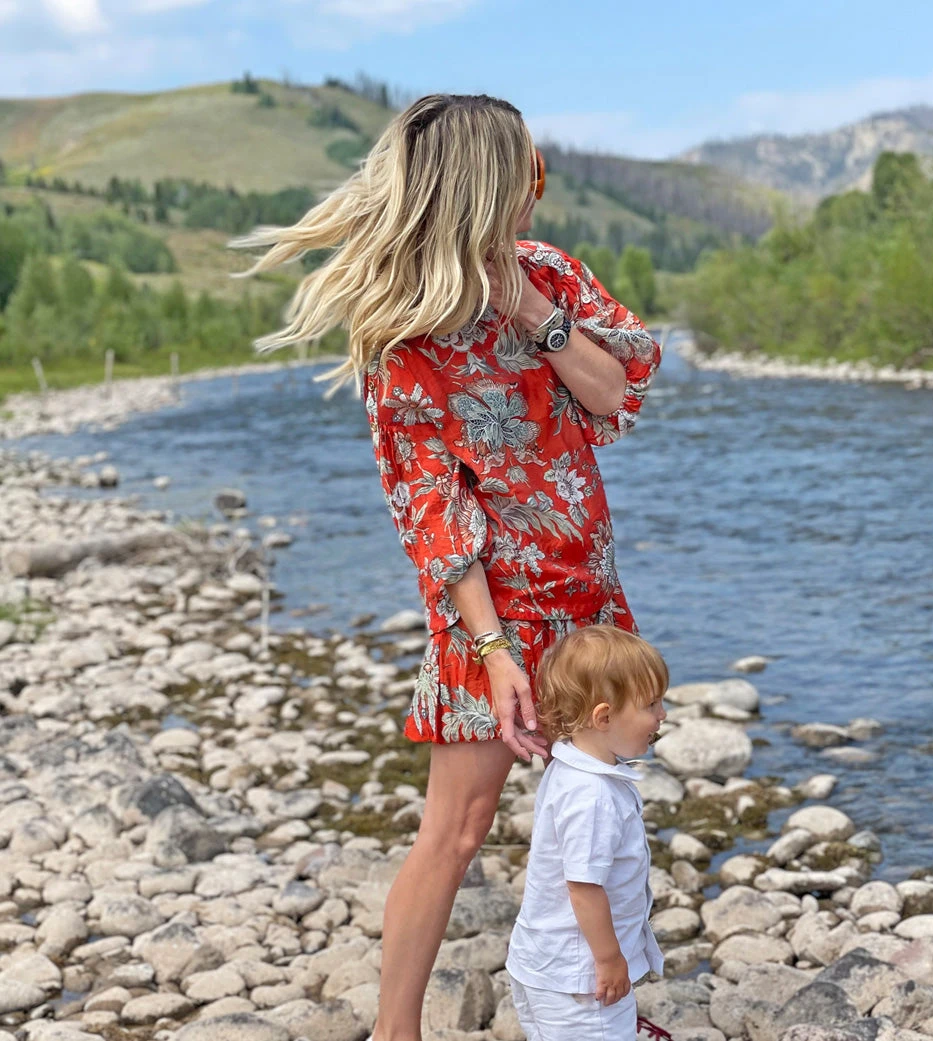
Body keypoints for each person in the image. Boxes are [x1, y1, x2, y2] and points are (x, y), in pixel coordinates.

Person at [233, 93, 661, 1041]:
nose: (536, 190)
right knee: (458, 830)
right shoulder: (406, 329)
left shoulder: (549, 275)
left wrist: (535, 313)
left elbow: (619, 392)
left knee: (596, 801)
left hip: (588, 594)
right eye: (525, 171)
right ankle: (397, 1031)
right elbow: (430, 503)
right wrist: (496, 649)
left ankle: (600, 1004)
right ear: (486, 184)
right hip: (491, 611)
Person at [506, 625, 668, 1040]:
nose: (662, 715)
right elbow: (583, 886)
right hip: (579, 979)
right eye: (651, 705)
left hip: (547, 965)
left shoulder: (569, 767)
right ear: (604, 717)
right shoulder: (593, 796)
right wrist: (610, 959)